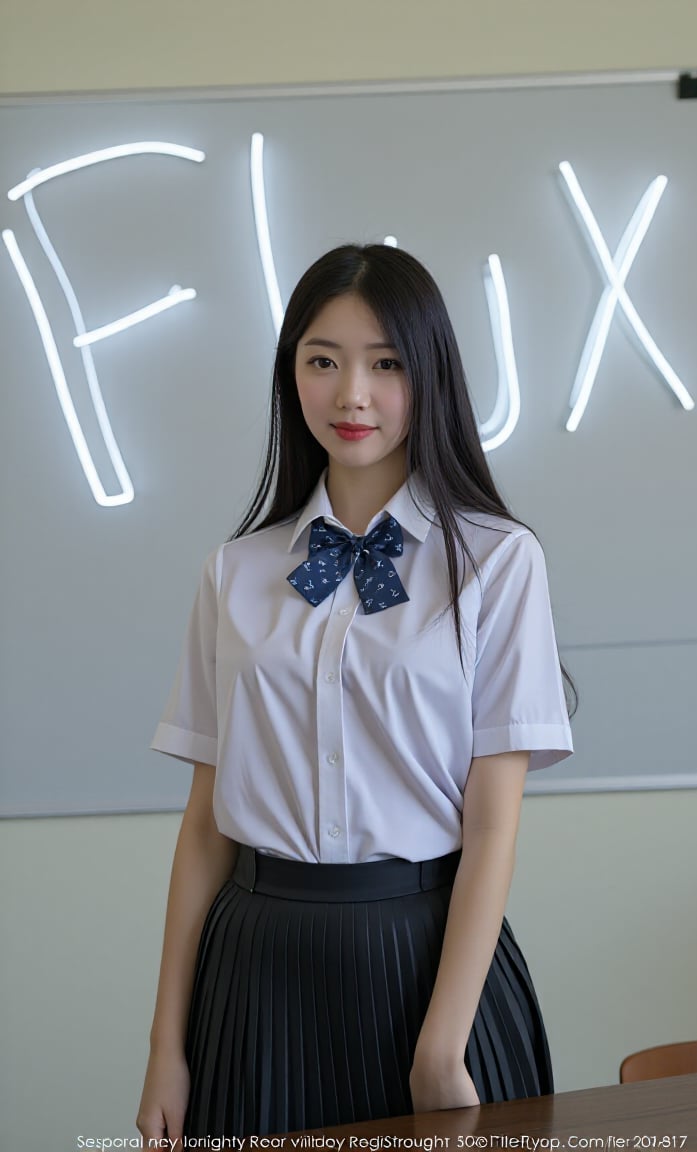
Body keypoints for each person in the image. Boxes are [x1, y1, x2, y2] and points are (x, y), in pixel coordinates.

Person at [136, 243, 575, 1142]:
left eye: (386, 365)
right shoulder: (238, 571)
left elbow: (493, 822)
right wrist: (165, 1049)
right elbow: (202, 826)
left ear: (430, 376)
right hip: (254, 971)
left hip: (429, 964)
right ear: (290, 375)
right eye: (322, 362)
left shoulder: (497, 562)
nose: (352, 396)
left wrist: (441, 1045)